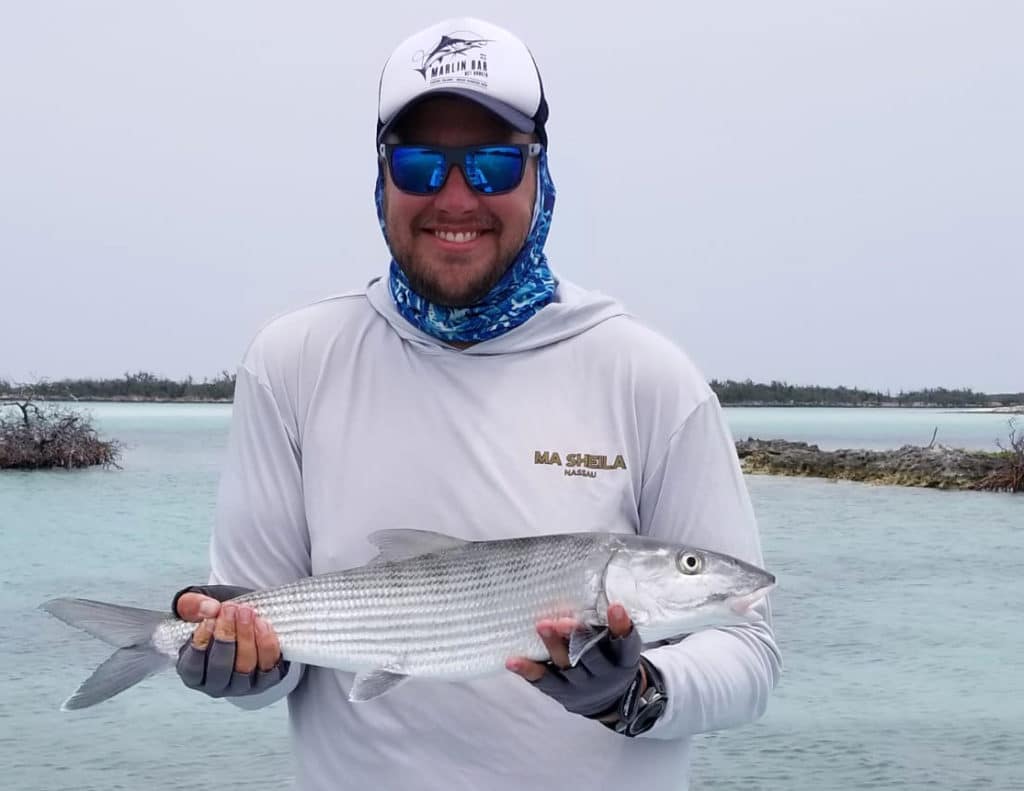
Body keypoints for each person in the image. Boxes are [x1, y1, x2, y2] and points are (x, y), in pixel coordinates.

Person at [172, 16, 781, 791]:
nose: (455, 198)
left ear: (539, 172)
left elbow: (751, 651)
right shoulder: (292, 363)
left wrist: (638, 694)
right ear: (382, 176)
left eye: (493, 164)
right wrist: (240, 667)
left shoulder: (650, 377)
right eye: (422, 164)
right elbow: (280, 662)